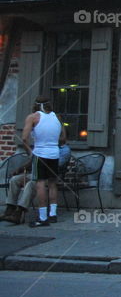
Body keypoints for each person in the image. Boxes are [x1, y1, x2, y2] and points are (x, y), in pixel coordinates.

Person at [21, 96, 67, 227]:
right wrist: (52, 143)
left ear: (35, 105)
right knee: (52, 183)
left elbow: (24, 138)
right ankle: (53, 214)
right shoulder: (57, 117)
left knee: (40, 183)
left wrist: (30, 152)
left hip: (40, 153)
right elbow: (63, 138)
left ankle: (42, 217)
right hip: (54, 153)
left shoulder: (33, 117)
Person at [2, 144, 71, 225]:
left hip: (48, 177)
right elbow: (32, 160)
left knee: (31, 184)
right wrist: (20, 169)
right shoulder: (44, 145)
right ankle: (10, 209)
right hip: (35, 174)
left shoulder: (64, 150)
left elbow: (56, 166)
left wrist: (43, 159)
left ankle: (19, 212)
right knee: (14, 180)